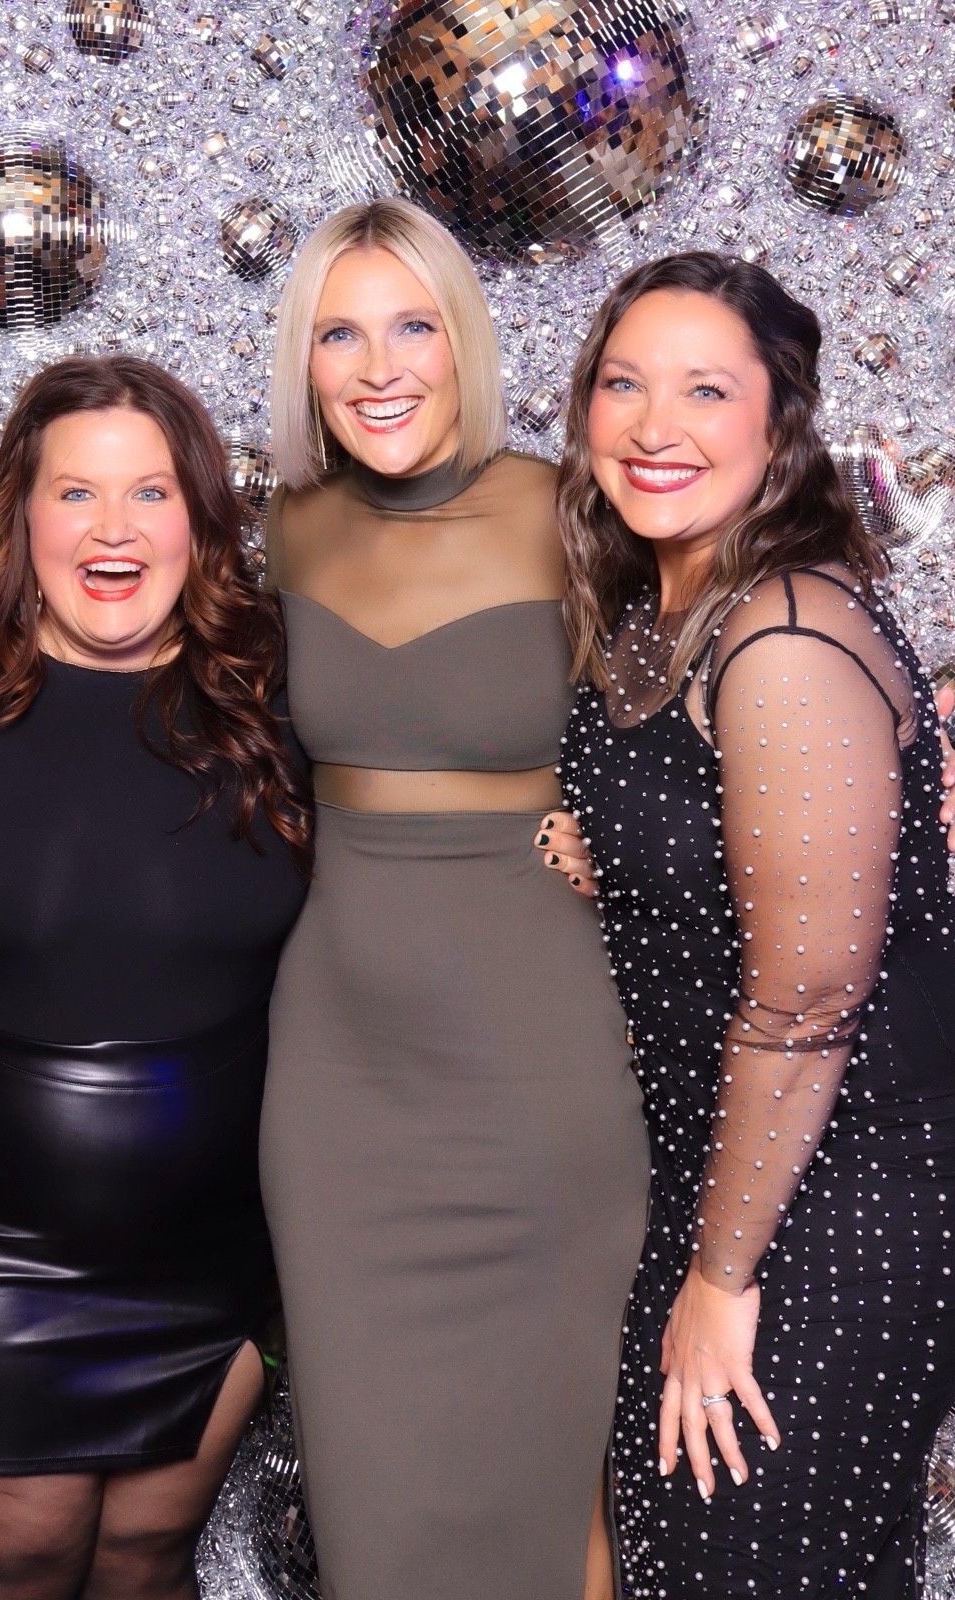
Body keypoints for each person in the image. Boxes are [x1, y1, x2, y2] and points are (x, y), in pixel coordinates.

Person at [549, 250, 955, 1594]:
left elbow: (808, 998)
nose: (656, 427)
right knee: (733, 1544)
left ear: (781, 423)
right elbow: (702, 827)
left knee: (751, 1547)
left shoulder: (780, 634)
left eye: (707, 390)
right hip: (754, 1143)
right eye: (623, 384)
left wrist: (720, 1281)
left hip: (876, 1149)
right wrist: (599, 850)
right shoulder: (663, 607)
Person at [0, 355, 311, 1600]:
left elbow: (453, 800)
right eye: (76, 494)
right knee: (13, 1560)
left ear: (203, 519)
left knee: (146, 1559)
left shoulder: (284, 679)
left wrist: (570, 828)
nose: (112, 529)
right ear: (19, 511)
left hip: (215, 1231)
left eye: (150, 494)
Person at [255, 195, 650, 1600]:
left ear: (465, 339)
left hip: (540, 1052)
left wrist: (641, 835)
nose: (380, 367)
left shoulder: (578, 509)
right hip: (343, 1075)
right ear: (301, 361)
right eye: (339, 332)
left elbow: (754, 699)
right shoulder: (285, 529)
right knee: (381, 1501)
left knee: (557, 1475)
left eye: (413, 325)